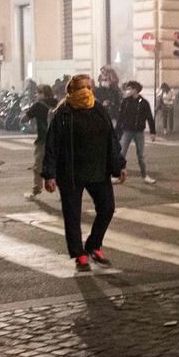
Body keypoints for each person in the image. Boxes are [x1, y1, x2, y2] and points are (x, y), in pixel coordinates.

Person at [42, 74, 126, 272]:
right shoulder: (63, 112)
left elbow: (111, 139)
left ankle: (93, 245)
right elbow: (52, 144)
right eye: (83, 87)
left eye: (90, 87)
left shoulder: (98, 109)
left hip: (98, 170)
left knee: (107, 208)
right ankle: (79, 253)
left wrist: (119, 164)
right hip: (70, 173)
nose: (87, 91)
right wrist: (49, 174)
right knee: (72, 215)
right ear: (73, 90)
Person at [23, 85, 57, 199]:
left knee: (38, 166)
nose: (36, 95)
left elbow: (24, 119)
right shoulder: (57, 103)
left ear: (43, 93)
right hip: (57, 140)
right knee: (58, 165)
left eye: (38, 93)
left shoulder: (38, 105)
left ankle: (36, 189)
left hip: (43, 140)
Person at [118, 81, 156, 184]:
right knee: (121, 154)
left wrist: (153, 132)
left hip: (139, 132)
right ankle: (118, 175)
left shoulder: (143, 103)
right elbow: (120, 117)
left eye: (129, 88)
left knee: (140, 155)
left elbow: (149, 117)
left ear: (135, 90)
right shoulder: (125, 101)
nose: (127, 91)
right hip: (127, 131)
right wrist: (117, 132)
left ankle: (144, 176)